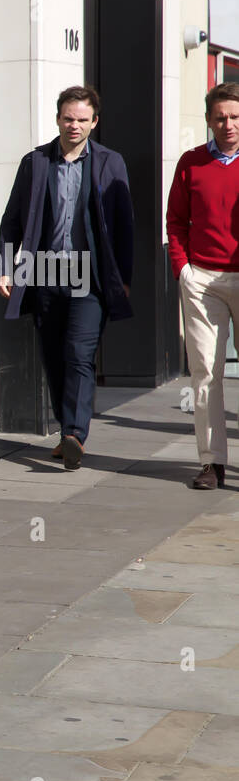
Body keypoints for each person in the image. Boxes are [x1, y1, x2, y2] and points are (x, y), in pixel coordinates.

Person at [0, 85, 134, 470]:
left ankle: (75, 433)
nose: (74, 125)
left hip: (89, 276)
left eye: (82, 119)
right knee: (54, 357)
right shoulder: (36, 162)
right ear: (58, 119)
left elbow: (125, 224)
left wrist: (124, 277)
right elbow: (12, 221)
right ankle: (65, 431)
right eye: (68, 118)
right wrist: (5, 266)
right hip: (44, 273)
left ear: (95, 122)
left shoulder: (110, 162)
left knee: (79, 353)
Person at [167, 81, 239, 490]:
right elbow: (175, 220)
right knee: (205, 373)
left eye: (234, 117)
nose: (227, 124)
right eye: (220, 117)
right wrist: (183, 268)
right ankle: (212, 462)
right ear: (209, 120)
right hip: (203, 281)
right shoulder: (190, 162)